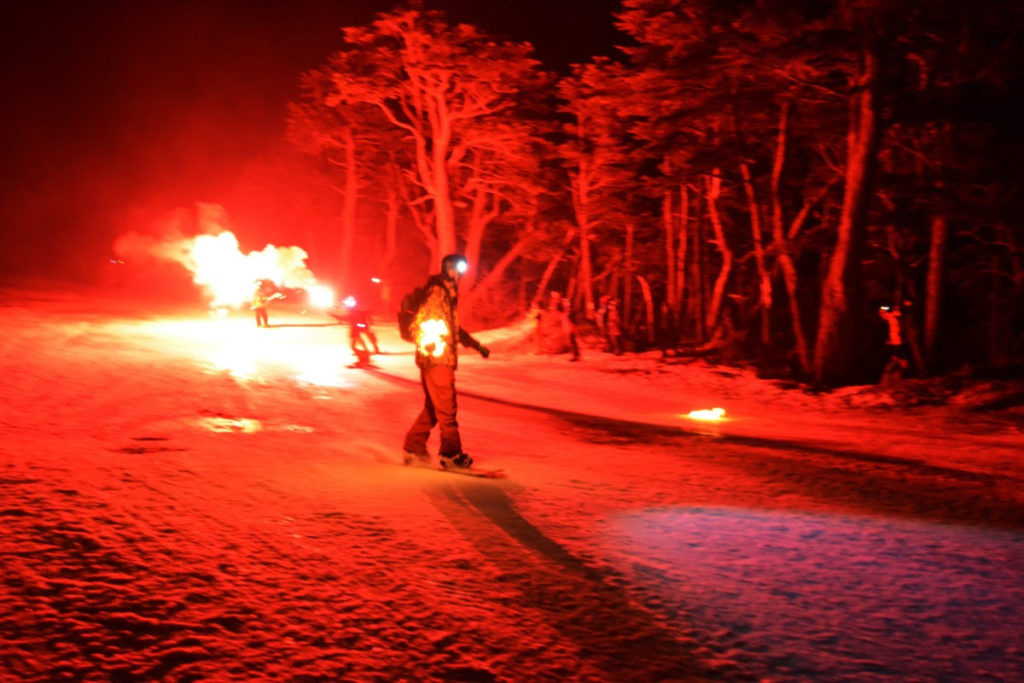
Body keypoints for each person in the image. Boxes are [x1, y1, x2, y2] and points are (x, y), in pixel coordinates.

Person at [403, 253, 490, 469]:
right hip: (437, 358)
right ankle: (451, 454)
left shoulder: (447, 293)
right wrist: (431, 345)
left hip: (436, 357)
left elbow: (452, 329)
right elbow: (423, 321)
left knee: (434, 408)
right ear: (450, 270)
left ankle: (413, 446)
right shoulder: (438, 292)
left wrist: (475, 344)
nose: (461, 275)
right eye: (458, 270)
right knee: (447, 408)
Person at [338, 295, 380, 365]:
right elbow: (349, 317)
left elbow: (364, 314)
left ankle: (367, 353)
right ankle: (365, 352)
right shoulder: (352, 310)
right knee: (357, 340)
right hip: (357, 327)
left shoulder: (356, 309)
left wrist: (363, 324)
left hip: (361, 326)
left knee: (367, 337)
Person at [878, 303, 908, 383]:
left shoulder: (893, 318)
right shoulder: (894, 318)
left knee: (896, 359)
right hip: (894, 342)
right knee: (894, 358)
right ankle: (895, 376)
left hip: (896, 342)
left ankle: (898, 375)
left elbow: (898, 332)